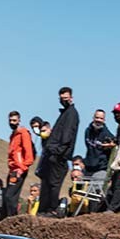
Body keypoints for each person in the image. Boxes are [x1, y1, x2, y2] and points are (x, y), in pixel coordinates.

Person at [40, 87, 79, 215]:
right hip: (55, 153)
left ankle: (52, 209)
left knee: (53, 184)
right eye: (62, 99)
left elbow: (67, 135)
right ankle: (46, 209)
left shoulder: (71, 114)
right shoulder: (66, 113)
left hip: (59, 155)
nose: (64, 100)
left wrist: (57, 150)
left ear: (71, 98)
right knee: (48, 182)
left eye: (66, 98)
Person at [3, 111, 35, 218]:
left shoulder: (23, 134)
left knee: (9, 196)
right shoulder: (13, 135)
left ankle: (12, 219)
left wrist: (22, 168)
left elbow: (29, 153)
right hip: (12, 169)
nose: (12, 122)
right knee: (10, 197)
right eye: (10, 120)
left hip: (19, 169)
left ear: (19, 120)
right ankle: (10, 218)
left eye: (14, 120)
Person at [83, 109, 115, 187]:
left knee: (93, 192)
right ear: (93, 118)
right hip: (88, 167)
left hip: (101, 168)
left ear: (104, 120)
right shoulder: (88, 131)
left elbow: (114, 146)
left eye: (101, 118)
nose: (98, 120)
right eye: (97, 118)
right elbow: (88, 147)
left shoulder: (107, 135)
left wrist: (108, 146)